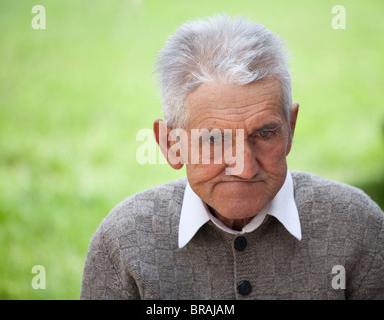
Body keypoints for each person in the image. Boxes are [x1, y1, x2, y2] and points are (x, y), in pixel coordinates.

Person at [80, 14, 383, 300]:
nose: (246, 168)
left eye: (264, 134)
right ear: (171, 143)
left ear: (290, 128)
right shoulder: (123, 241)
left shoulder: (359, 228)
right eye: (214, 139)